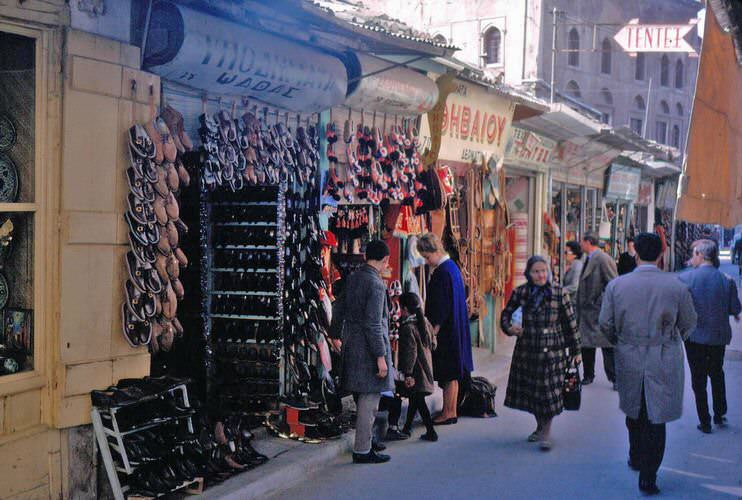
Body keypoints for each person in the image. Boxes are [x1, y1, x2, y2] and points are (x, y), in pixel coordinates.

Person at [599, 233, 697, 495]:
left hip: (629, 352)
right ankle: (649, 474)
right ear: (661, 255)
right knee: (656, 415)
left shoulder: (618, 286)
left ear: (636, 254)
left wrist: (620, 341)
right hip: (663, 355)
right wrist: (671, 338)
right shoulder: (676, 286)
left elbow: (605, 324)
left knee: (635, 408)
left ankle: (636, 454)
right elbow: (689, 323)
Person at [500, 256, 581, 451]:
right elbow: (506, 315)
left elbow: (571, 323)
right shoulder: (521, 292)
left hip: (553, 351)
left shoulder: (559, 293)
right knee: (534, 394)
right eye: (536, 271)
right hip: (528, 351)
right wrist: (510, 329)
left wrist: (576, 350)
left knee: (548, 392)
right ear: (529, 273)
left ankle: (545, 432)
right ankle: (540, 425)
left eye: (544, 270)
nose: (541, 275)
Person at [329, 240, 394, 464]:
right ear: (385, 260)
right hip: (368, 348)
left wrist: (335, 334)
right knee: (370, 399)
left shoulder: (355, 277)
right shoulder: (375, 284)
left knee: (361, 397)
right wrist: (380, 356)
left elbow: (338, 306)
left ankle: (368, 441)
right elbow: (374, 323)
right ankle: (363, 449)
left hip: (351, 343)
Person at [678, 239, 741, 433]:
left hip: (694, 336)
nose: (691, 258)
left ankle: (704, 420)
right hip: (717, 337)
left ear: (701, 256)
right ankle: (719, 412)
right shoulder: (726, 280)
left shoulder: (686, 279)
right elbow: (735, 309)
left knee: (698, 379)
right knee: (716, 372)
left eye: (694, 254)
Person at [417, 233, 473, 425]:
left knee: (448, 373)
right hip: (455, 327)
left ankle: (448, 412)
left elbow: (440, 306)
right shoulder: (452, 268)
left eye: (426, 256)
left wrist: (433, 330)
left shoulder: (442, 272)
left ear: (434, 251)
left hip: (447, 331)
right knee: (453, 374)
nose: (426, 261)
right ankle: (451, 410)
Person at [577, 232, 618, 387]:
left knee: (607, 346)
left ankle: (615, 378)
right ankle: (588, 375)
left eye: (581, 241)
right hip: (587, 311)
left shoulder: (602, 258)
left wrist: (600, 301)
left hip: (598, 309)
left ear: (588, 242)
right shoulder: (587, 258)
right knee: (586, 344)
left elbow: (613, 283)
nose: (580, 245)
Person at [397, 292, 438, 442]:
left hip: (416, 371)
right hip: (425, 368)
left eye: (401, 308)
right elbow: (433, 344)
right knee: (415, 400)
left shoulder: (408, 327)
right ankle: (407, 428)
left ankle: (431, 431)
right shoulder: (425, 322)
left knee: (419, 401)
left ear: (406, 308)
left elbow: (410, 353)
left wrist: (407, 373)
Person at [562, 240, 584, 305]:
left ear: (574, 254)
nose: (564, 254)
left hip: (573, 304)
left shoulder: (577, 266)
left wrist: (560, 291)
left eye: (566, 252)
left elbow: (574, 286)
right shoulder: (572, 265)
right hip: (569, 302)